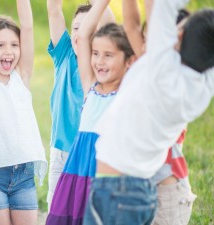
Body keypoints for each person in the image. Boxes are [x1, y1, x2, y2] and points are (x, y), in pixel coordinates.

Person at [83, 0, 214, 223]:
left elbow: (160, 5)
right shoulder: (201, 89)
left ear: (179, 37)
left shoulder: (160, 68)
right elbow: (138, 21)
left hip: (117, 190)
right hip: (138, 191)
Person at [46, 0, 135, 224]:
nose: (79, 33)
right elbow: (54, 9)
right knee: (59, 215)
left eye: (88, 27)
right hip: (65, 157)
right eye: (75, 27)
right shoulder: (66, 55)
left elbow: (115, 29)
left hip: (96, 163)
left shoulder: (105, 78)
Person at [122, 1, 196, 224]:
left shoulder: (180, 77)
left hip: (168, 191)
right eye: (146, 39)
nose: (145, 45)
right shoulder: (147, 66)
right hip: (142, 187)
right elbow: (131, 25)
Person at [0, 0, 47, 224]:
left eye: (14, 45)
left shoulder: (22, 76)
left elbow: (27, 26)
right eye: (0, 46)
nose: (9, 51)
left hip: (24, 175)